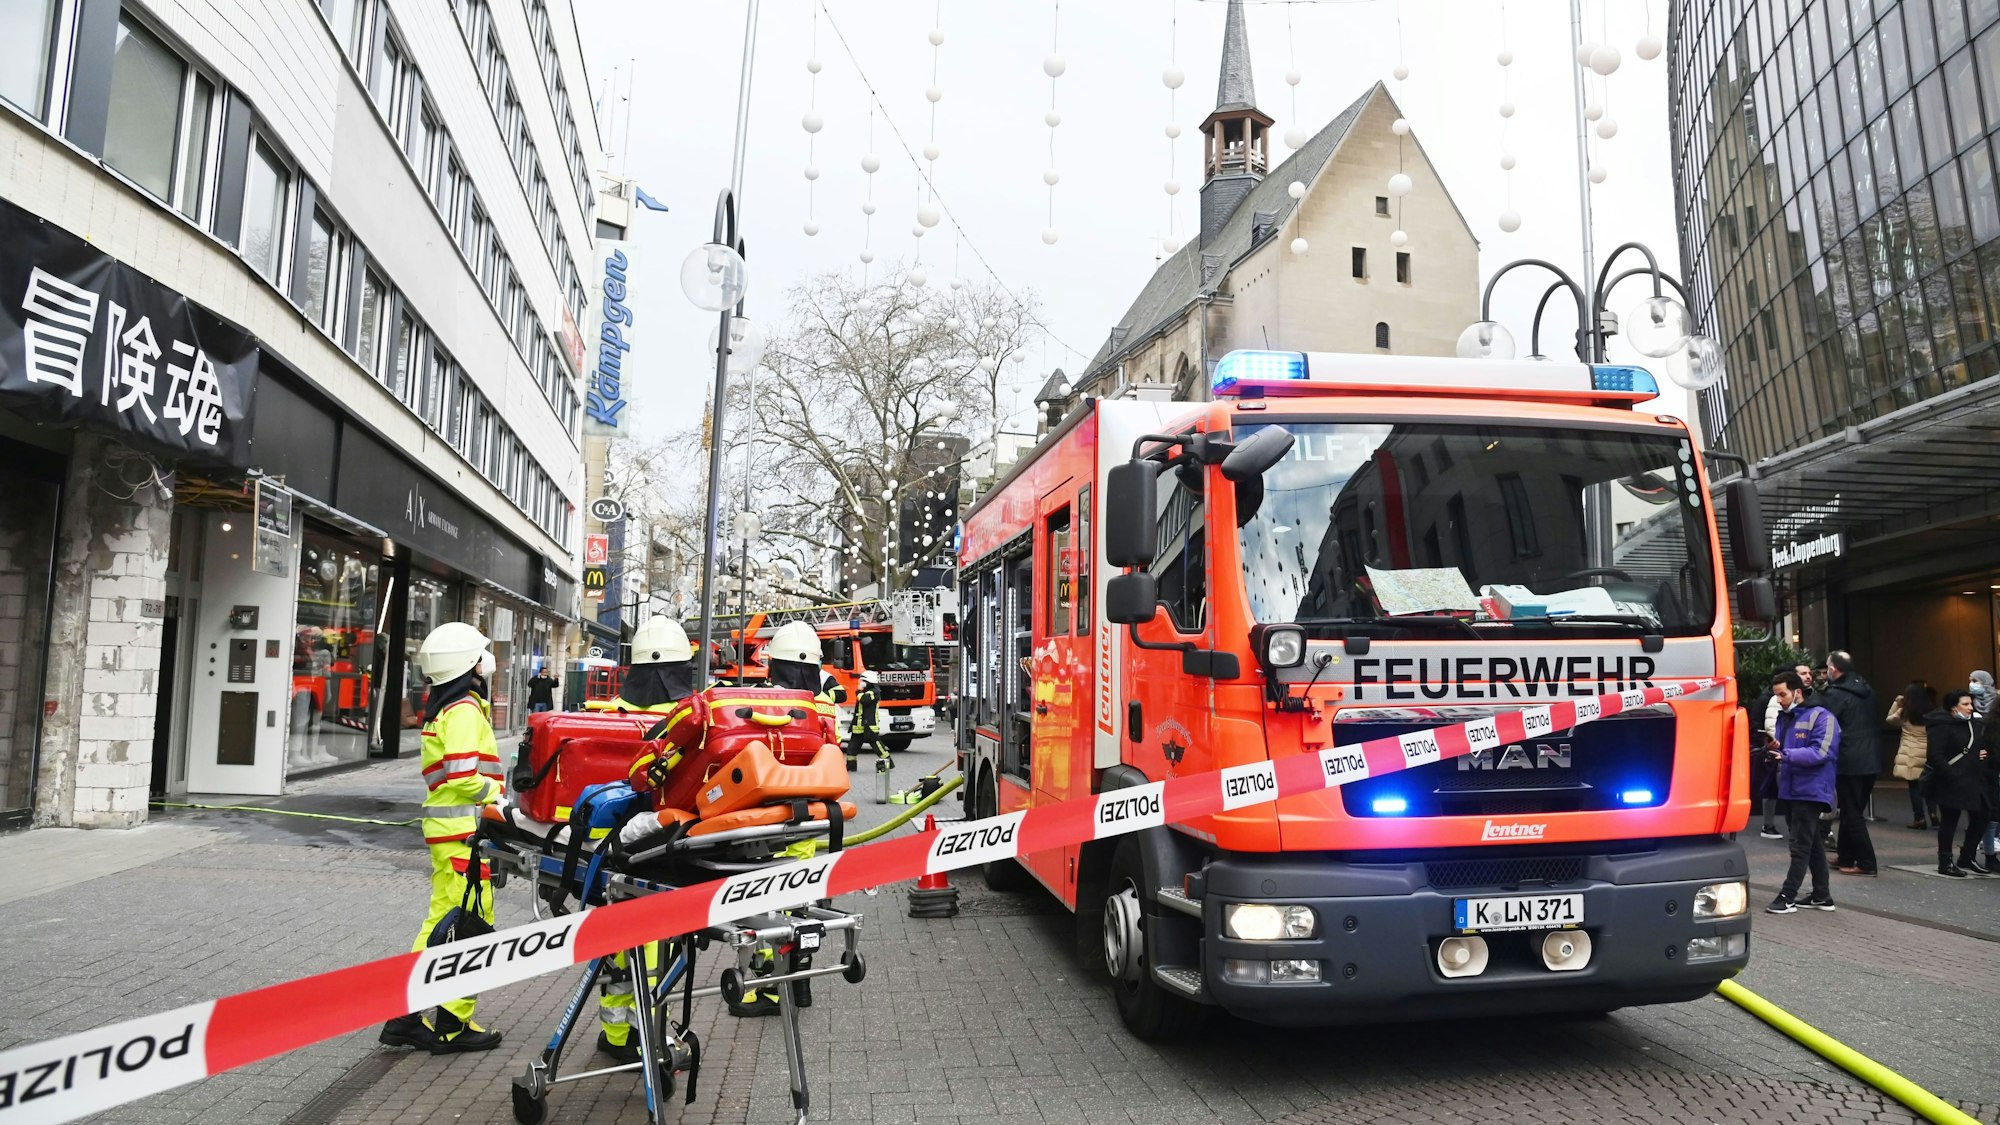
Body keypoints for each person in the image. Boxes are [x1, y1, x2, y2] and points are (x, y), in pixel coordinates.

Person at [380, 622, 505, 1053]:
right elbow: (463, 775)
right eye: (480, 655)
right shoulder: (465, 711)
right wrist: (500, 797)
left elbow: (443, 777)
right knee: (471, 926)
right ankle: (453, 1025)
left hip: (446, 830)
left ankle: (404, 1015)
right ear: (468, 666)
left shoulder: (442, 711)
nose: (485, 661)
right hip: (463, 834)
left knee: (439, 923)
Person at [590, 616, 695, 1064]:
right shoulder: (687, 721)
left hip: (604, 852)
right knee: (649, 946)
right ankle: (640, 1035)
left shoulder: (604, 714)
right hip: (658, 852)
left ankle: (615, 1036)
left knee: (615, 944)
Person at [1763, 670, 1840, 914]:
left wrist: (1785, 754)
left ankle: (1788, 896)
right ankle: (1822, 895)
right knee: (1812, 842)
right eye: (1776, 695)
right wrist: (1776, 750)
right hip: (1794, 788)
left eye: (1782, 694)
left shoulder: (1823, 716)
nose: (1779, 700)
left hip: (1811, 789)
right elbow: (1794, 750)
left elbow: (1822, 752)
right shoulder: (1787, 716)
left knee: (1800, 845)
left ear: (1797, 692)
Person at [1817, 652, 1879, 877]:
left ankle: (1866, 862)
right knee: (1854, 809)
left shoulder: (1835, 694)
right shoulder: (1866, 688)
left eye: (1827, 667)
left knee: (1852, 813)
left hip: (1849, 759)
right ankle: (1845, 855)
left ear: (1833, 669)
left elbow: (1826, 721)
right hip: (1870, 758)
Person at [1923, 689, 1995, 877]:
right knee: (1950, 821)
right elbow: (1935, 755)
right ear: (1953, 707)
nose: (1970, 708)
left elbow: (1979, 745)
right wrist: (1951, 773)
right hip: (1951, 781)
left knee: (1983, 814)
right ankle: (1945, 861)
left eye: (1971, 704)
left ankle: (1967, 856)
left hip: (1973, 779)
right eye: (1965, 704)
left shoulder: (1974, 724)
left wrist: (1981, 753)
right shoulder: (1941, 725)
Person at [1888, 681, 1938, 829]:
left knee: (1914, 786)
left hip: (1911, 752)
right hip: (1928, 751)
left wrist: (1897, 703)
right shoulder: (1932, 710)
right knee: (1930, 784)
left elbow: (1890, 720)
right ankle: (1933, 814)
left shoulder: (1905, 712)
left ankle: (1919, 818)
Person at [848, 671, 885, 774]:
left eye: (863, 681)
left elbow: (865, 700)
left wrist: (859, 692)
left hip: (869, 725)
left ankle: (887, 763)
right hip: (859, 725)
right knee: (852, 747)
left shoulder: (874, 692)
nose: (860, 682)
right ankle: (851, 766)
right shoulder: (865, 692)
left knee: (877, 746)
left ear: (869, 682)